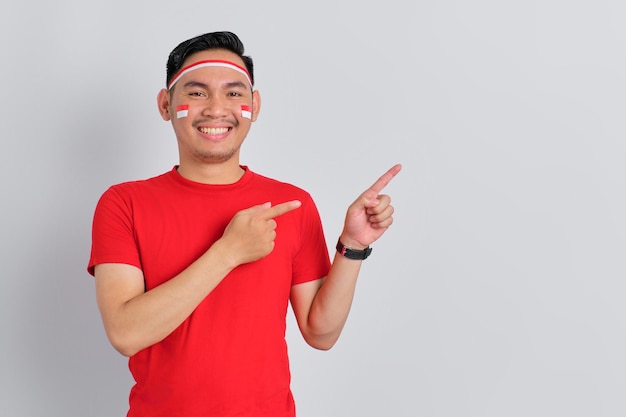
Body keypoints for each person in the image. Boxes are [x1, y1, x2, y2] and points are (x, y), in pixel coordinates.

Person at [88, 31, 401, 417]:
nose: (217, 108)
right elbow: (126, 333)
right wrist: (228, 251)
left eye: (234, 93)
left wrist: (352, 246)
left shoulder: (293, 205)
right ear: (165, 105)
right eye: (197, 92)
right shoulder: (124, 203)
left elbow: (320, 333)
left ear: (254, 104)